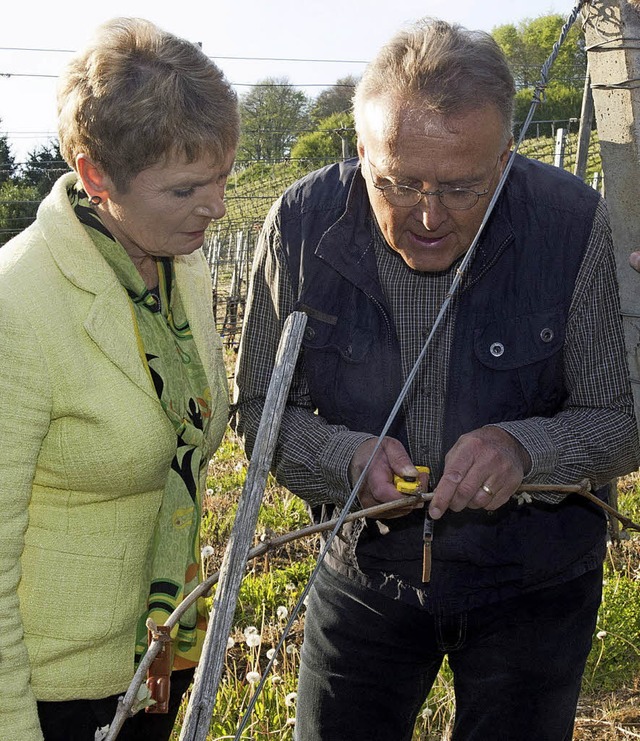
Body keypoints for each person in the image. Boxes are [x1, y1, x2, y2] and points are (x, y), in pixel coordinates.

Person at [234, 17, 640, 741]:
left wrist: (524, 449)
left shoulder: (571, 224)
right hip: (363, 569)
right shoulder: (300, 226)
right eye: (397, 182)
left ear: (506, 159)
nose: (427, 215)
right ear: (360, 150)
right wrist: (344, 458)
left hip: (535, 579)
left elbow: (620, 415)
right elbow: (262, 407)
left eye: (461, 187)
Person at [0, 17, 239, 741]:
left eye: (223, 176)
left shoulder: (184, 270)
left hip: (158, 658)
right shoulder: (19, 302)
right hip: (56, 692)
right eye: (187, 188)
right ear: (95, 172)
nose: (218, 206)